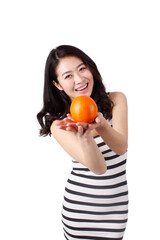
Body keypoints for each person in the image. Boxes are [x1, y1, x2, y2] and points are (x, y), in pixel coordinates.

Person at [37, 45, 128, 240]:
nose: (79, 79)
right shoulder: (59, 124)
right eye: (68, 76)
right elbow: (99, 168)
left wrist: (102, 125)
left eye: (82, 68)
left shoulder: (116, 100)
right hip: (80, 213)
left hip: (116, 210)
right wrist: (86, 138)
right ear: (58, 84)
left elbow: (121, 147)